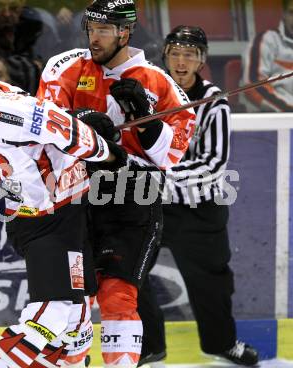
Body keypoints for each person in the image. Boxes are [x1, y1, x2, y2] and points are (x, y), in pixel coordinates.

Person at [0, 57, 128, 368]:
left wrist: (70, 119)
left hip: (57, 212)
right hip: (49, 219)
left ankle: (70, 364)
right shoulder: (8, 109)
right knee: (55, 313)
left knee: (77, 316)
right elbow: (74, 137)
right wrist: (108, 151)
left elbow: (44, 128)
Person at [37, 1, 196, 367]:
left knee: (118, 295)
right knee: (73, 297)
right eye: (91, 30)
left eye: (104, 31)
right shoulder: (64, 67)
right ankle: (72, 361)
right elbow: (44, 126)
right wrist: (83, 127)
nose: (94, 38)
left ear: (125, 33)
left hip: (132, 195)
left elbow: (172, 155)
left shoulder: (158, 82)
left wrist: (147, 119)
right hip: (74, 192)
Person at [137, 25, 259, 367]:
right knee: (129, 273)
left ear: (201, 60)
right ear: (165, 56)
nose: (181, 60)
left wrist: (159, 176)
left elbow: (213, 165)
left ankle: (221, 344)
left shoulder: (214, 103)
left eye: (189, 54)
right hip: (152, 208)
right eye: (174, 52)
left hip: (199, 210)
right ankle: (149, 345)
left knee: (212, 284)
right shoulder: (149, 92)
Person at [241, 0, 293, 112]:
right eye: (291, 12)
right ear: (283, 14)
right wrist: (289, 111)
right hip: (271, 121)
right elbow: (253, 86)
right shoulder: (265, 41)